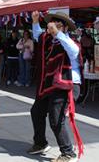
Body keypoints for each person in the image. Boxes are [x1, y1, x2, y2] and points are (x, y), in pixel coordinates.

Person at [27, 11, 83, 162]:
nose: (52, 27)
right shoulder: (49, 41)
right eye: (52, 24)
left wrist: (58, 34)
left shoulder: (70, 41)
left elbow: (74, 51)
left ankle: (68, 153)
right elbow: (37, 34)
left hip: (67, 84)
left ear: (64, 28)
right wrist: (35, 21)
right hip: (50, 84)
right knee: (36, 111)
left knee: (56, 118)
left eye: (57, 24)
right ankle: (40, 143)